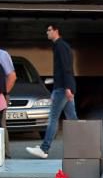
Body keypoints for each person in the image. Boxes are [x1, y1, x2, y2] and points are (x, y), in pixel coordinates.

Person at [26, 24, 77, 158]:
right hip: (64, 87)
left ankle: (44, 149)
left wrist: (67, 88)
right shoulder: (61, 46)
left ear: (56, 31)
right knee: (72, 118)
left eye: (49, 30)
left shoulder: (60, 46)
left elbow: (66, 68)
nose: (46, 32)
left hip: (62, 88)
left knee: (53, 118)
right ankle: (82, 146)